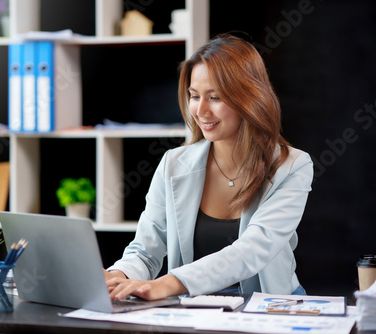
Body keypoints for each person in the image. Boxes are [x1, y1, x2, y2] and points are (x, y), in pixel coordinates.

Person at [104, 32, 313, 301]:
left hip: (269, 306)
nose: (201, 110)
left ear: (248, 97)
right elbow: (145, 249)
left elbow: (251, 251)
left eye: (215, 97)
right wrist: (118, 275)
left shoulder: (292, 166)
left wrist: (170, 283)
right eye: (194, 96)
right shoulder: (173, 163)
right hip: (197, 307)